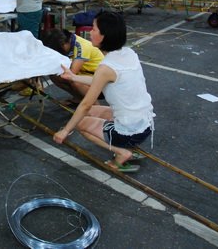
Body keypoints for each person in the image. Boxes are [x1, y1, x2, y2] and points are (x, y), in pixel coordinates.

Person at [53, 11, 155, 173]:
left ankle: (122, 152)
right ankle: (128, 145)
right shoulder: (128, 53)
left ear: (104, 36)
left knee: (79, 123)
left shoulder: (106, 67)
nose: (90, 32)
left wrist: (65, 131)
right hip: (146, 124)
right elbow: (100, 81)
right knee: (94, 111)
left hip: (131, 131)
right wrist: (73, 77)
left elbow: (85, 105)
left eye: (93, 29)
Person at [41, 28, 104, 104]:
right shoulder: (69, 42)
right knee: (54, 77)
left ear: (63, 44)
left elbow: (72, 73)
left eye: (57, 49)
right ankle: (79, 98)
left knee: (74, 80)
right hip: (88, 75)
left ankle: (95, 106)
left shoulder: (81, 46)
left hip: (103, 82)